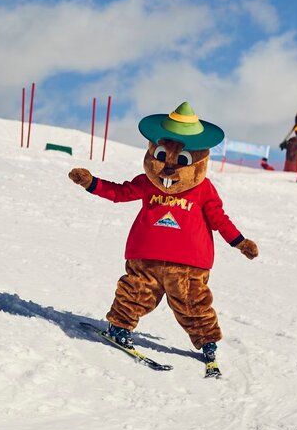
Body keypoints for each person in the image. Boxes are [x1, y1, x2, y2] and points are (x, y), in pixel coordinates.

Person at [67, 102, 259, 378]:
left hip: (190, 262)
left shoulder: (203, 189)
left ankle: (207, 341)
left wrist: (240, 242)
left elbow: (219, 219)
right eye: (162, 157)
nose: (168, 169)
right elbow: (120, 193)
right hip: (146, 256)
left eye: (180, 161)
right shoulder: (147, 183)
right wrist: (91, 183)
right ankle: (119, 327)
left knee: (193, 302)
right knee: (135, 292)